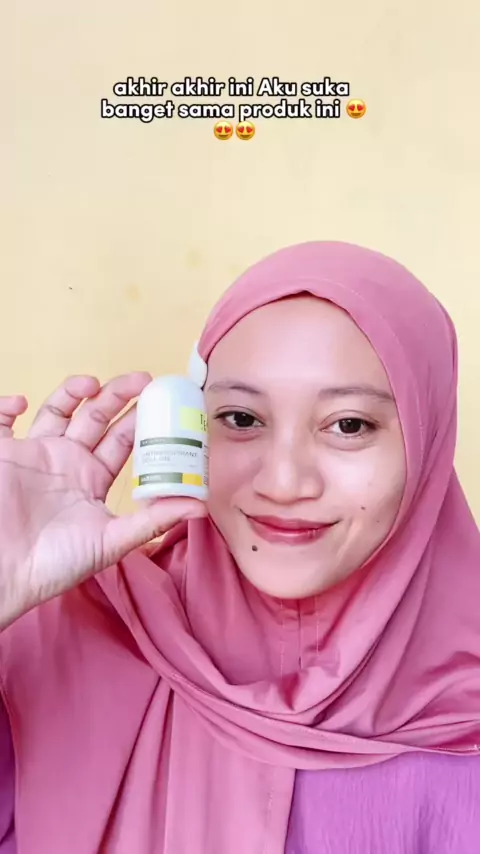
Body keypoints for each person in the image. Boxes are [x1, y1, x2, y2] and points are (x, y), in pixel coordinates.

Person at [0, 240, 479, 854]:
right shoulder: (61, 643)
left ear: (429, 441)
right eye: (241, 419)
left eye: (349, 425)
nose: (283, 482)